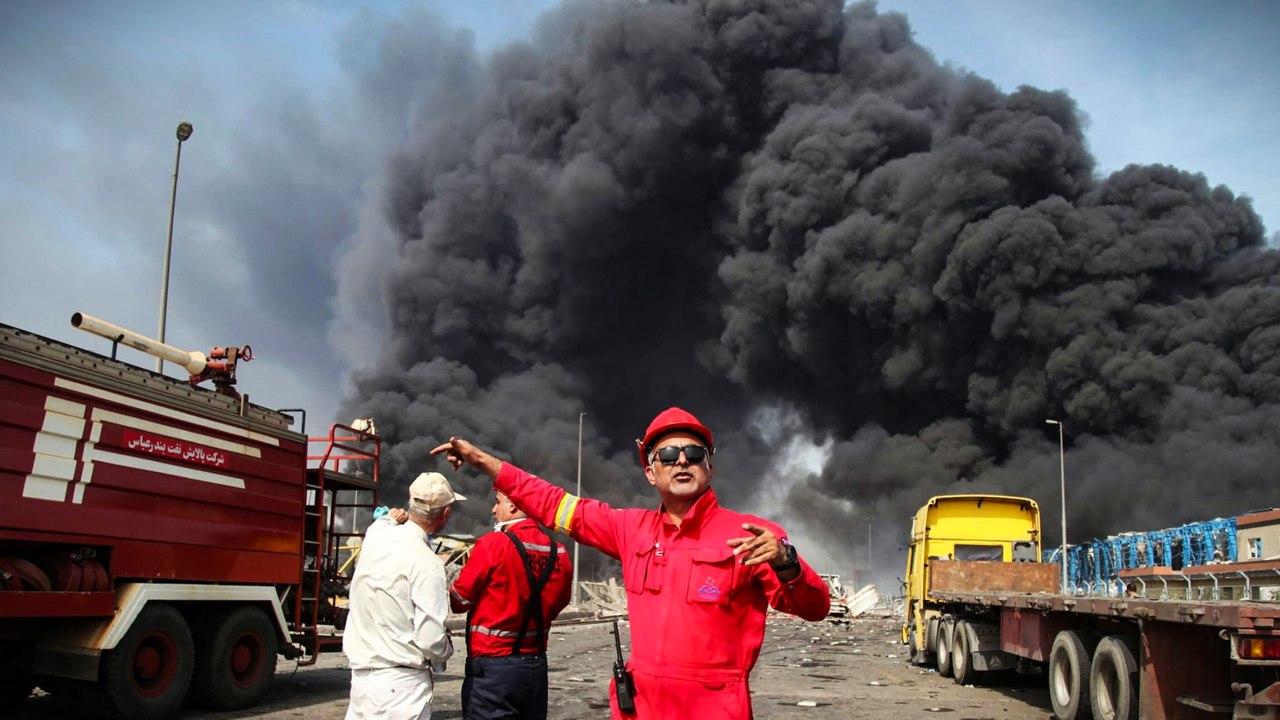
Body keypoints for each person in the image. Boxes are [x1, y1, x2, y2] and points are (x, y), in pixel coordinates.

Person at [431, 407, 830, 720]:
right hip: (639, 709)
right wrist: (485, 463)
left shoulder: (753, 534)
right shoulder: (630, 530)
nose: (681, 462)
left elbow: (815, 608)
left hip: (713, 711)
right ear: (649, 472)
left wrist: (787, 563)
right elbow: (554, 504)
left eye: (694, 454)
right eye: (668, 455)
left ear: (710, 466)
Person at [343, 472, 466, 720]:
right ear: (445, 514)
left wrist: (390, 517)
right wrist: (445, 652)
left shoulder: (375, 537)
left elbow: (381, 522)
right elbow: (431, 639)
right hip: (401, 687)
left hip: (361, 681)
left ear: (411, 505)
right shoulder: (428, 563)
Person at [449, 491, 573, 719]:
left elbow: (459, 601)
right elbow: (561, 601)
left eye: (497, 503)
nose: (494, 510)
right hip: (536, 666)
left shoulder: (493, 544)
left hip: (493, 668)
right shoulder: (560, 552)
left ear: (514, 506)